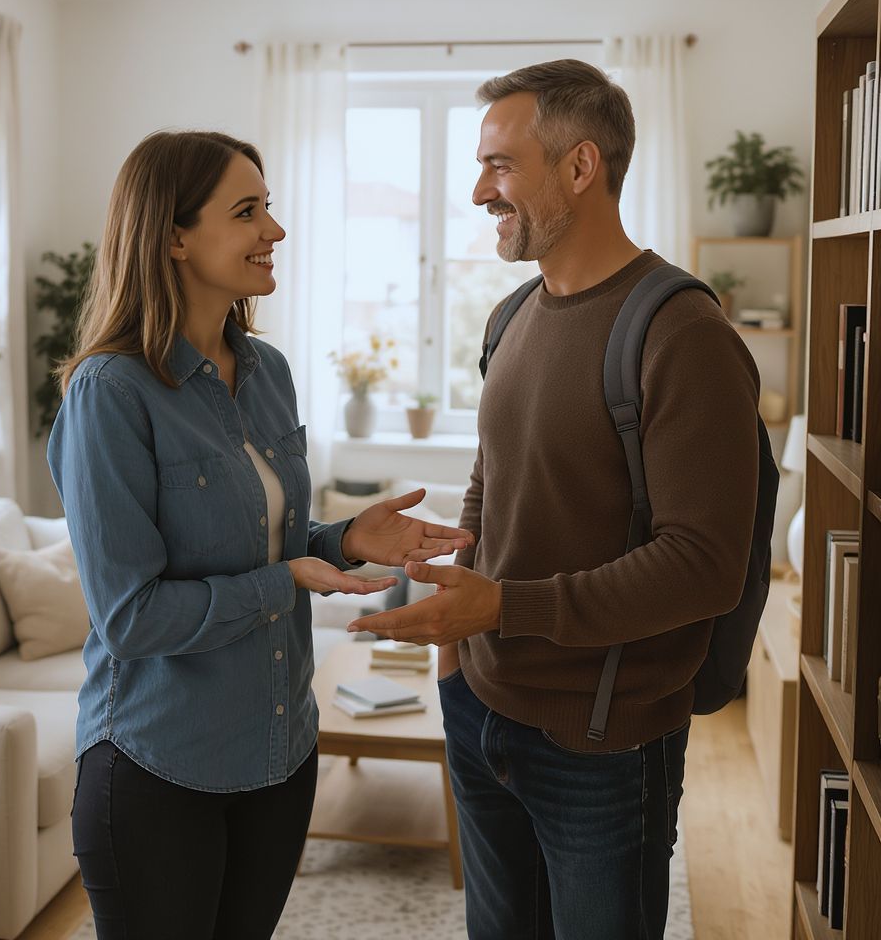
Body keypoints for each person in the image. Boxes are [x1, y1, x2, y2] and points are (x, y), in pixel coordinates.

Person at [349, 60, 761, 939]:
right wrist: (457, 640)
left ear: (580, 167)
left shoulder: (683, 333)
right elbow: (491, 481)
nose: (476, 191)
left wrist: (505, 605)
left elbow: (705, 566)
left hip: (603, 744)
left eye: (500, 165)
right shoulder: (511, 317)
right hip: (480, 705)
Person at [47, 129, 472, 940]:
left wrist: (346, 540)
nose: (273, 231)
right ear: (171, 237)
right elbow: (130, 619)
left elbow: (257, 537)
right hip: (156, 765)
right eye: (247, 212)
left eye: (268, 208)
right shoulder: (112, 392)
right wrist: (292, 580)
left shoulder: (267, 371)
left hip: (279, 753)